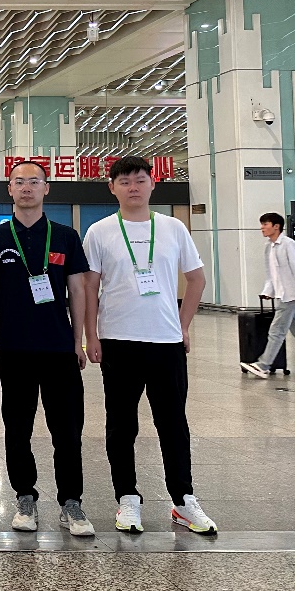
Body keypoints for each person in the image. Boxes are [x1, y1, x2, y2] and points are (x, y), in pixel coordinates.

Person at [83, 155, 217, 536]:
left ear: (152, 184)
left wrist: (183, 325)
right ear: (112, 187)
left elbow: (196, 279)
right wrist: (91, 334)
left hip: (165, 342)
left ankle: (183, 500)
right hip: (118, 341)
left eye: (140, 180)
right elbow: (90, 287)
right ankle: (127, 498)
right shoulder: (100, 232)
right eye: (125, 181)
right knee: (121, 425)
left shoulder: (173, 228)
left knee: (173, 424)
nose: (133, 187)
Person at [0, 160, 94, 537]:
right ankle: (25, 497)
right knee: (17, 428)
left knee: (68, 430)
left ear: (47, 188)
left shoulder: (65, 236)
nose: (26, 187)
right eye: (19, 182)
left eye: (34, 181)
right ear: (9, 189)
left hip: (59, 348)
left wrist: (78, 340)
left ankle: (71, 502)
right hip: (15, 348)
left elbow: (77, 289)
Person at [241, 213, 295, 380]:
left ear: (276, 226)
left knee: (277, 330)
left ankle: (263, 365)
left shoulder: (289, 245)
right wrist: (268, 291)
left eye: (265, 224)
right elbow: (271, 274)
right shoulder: (269, 247)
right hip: (283, 295)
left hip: (291, 295)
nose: (262, 228)